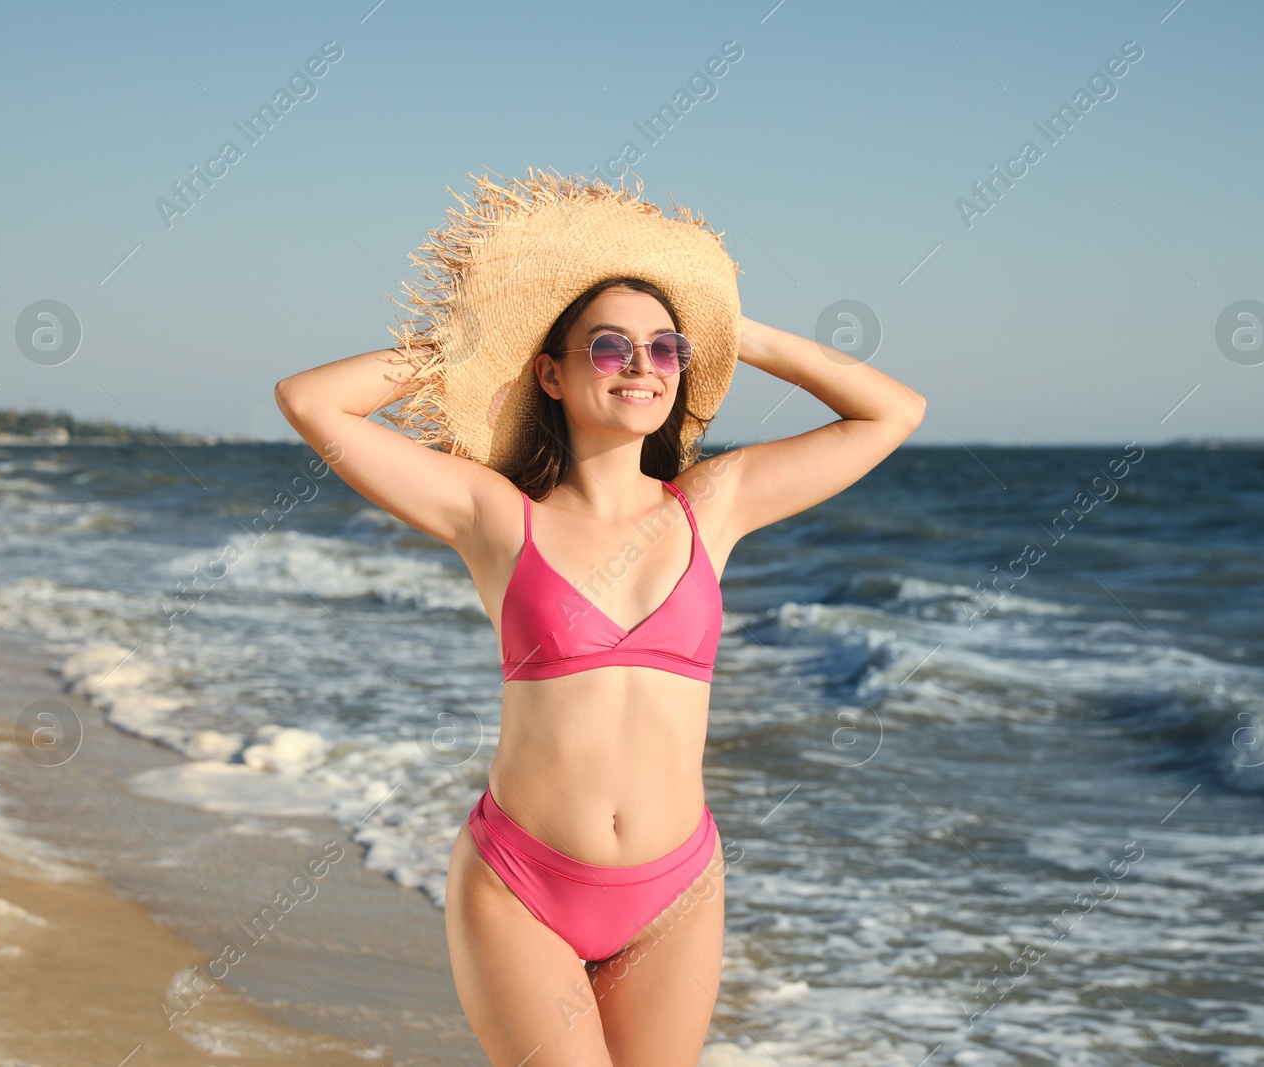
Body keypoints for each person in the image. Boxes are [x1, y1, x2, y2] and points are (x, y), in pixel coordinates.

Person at [274, 169, 925, 1067]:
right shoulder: (497, 515)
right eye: (610, 346)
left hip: (676, 891)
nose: (641, 367)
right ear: (553, 369)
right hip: (520, 886)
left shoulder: (713, 505)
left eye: (665, 350)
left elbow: (892, 411)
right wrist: (463, 346)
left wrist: (737, 333)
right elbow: (312, 400)